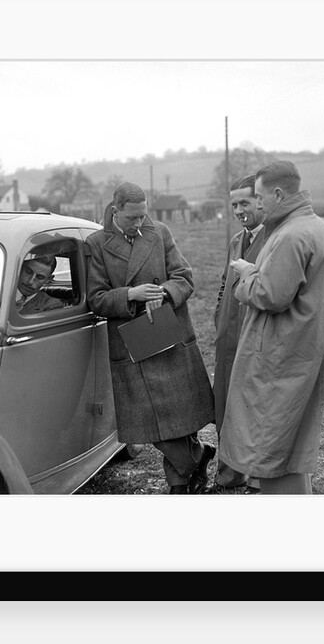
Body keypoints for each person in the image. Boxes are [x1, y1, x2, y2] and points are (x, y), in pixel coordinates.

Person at [85, 182, 216, 494]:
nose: (140, 223)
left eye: (144, 216)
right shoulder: (96, 243)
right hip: (131, 345)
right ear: (115, 212)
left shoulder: (160, 232)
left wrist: (165, 292)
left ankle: (178, 484)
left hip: (168, 334)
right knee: (150, 423)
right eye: (133, 218)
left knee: (179, 417)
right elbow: (96, 298)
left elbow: (184, 277)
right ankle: (196, 458)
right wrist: (131, 294)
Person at [220, 160, 324, 495]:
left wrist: (246, 276)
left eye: (258, 197)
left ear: (277, 193)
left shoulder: (290, 235)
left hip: (280, 354)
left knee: (272, 443)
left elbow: (271, 295)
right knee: (290, 446)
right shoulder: (315, 227)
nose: (256, 204)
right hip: (301, 347)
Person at [208, 174, 266, 494]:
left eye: (245, 202)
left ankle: (258, 478)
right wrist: (220, 317)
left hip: (256, 339)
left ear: (262, 200)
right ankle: (229, 474)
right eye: (233, 204)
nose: (239, 210)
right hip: (227, 340)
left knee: (254, 408)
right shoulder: (235, 241)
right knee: (226, 406)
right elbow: (223, 285)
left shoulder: (275, 239)